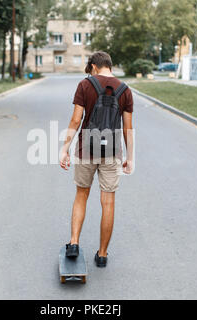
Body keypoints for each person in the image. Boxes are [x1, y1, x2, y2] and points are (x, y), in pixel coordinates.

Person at [60, 51, 134, 267]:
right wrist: (130, 156)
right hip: (112, 151)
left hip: (86, 148)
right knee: (108, 202)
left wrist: (65, 148)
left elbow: (76, 120)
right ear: (109, 65)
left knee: (81, 195)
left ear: (93, 66)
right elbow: (128, 128)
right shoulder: (125, 90)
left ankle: (74, 243)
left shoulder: (85, 85)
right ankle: (102, 255)